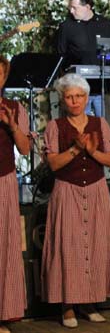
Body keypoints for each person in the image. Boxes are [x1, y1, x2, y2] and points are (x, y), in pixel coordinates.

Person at [41, 73, 110, 328]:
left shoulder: (100, 123)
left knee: (95, 246)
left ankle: (89, 303)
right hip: (67, 190)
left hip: (96, 190)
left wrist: (92, 151)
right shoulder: (55, 127)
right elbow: (53, 164)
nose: (74, 101)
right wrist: (75, 149)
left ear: (86, 98)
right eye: (69, 97)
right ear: (63, 100)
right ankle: (67, 307)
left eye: (79, 96)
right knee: (68, 247)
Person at [0, 56, 29, 333]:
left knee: (5, 246)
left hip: (5, 180)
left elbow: (25, 149)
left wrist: (12, 126)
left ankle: (3, 314)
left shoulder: (14, 108)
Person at [56, 0, 110, 119]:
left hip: (102, 89)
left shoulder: (106, 25)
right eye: (70, 8)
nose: (71, 11)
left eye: (75, 8)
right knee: (78, 127)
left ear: (87, 7)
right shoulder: (66, 27)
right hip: (77, 90)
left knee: (107, 127)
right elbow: (60, 55)